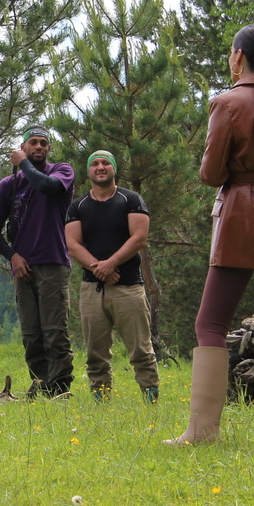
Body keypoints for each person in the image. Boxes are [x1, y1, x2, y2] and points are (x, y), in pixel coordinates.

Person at [166, 22, 254, 445]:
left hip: (240, 215)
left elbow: (211, 174)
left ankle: (203, 431)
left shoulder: (226, 103)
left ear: (238, 56)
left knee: (210, 323)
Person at [0, 124, 76, 398]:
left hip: (53, 262)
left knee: (55, 331)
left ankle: (59, 390)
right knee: (32, 335)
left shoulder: (62, 171)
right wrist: (12, 256)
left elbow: (46, 187)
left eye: (43, 143)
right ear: (23, 146)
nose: (38, 147)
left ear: (48, 149)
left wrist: (22, 164)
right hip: (22, 268)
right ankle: (41, 385)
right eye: (32, 143)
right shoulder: (8, 185)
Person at [64, 150, 159, 403]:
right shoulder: (78, 206)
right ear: (89, 171)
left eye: (106, 162)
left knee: (141, 350)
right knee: (96, 354)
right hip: (92, 290)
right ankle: (101, 404)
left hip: (129, 288)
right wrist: (99, 269)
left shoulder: (131, 200)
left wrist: (111, 264)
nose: (100, 167)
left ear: (114, 168)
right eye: (94, 164)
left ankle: (152, 402)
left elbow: (138, 238)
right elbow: (73, 244)